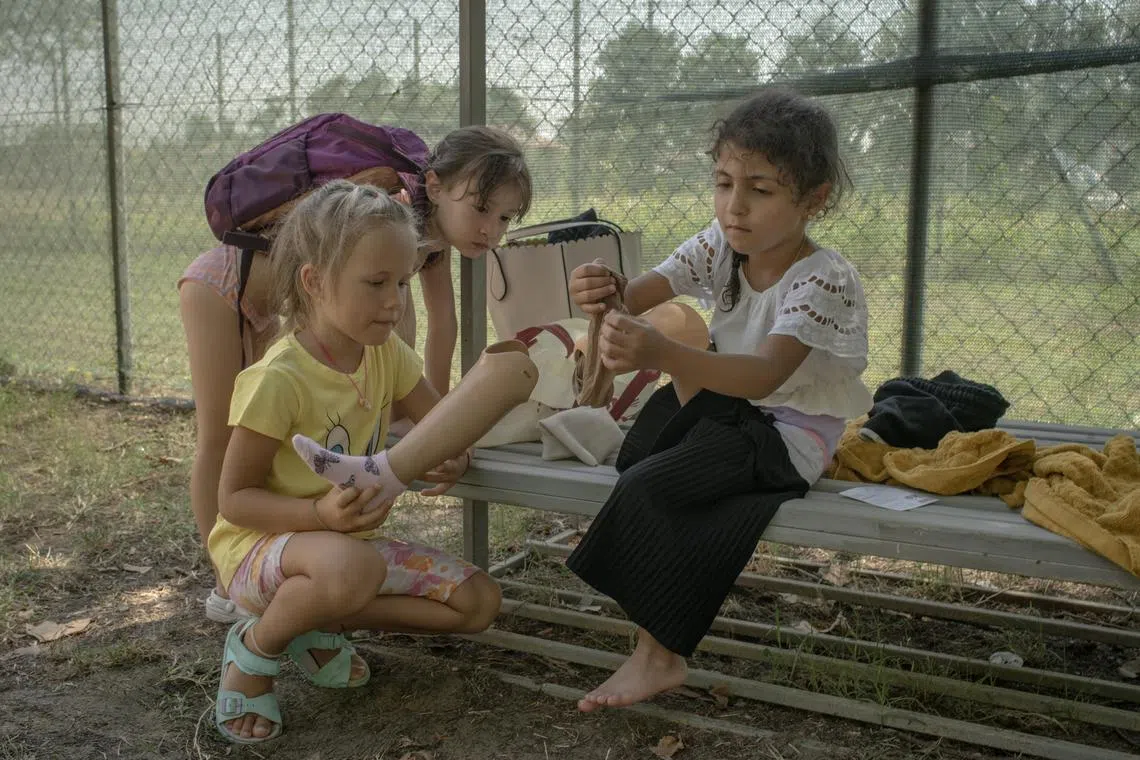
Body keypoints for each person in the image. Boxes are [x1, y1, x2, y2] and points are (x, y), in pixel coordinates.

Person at [564, 89, 872, 711]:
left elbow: (764, 376)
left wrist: (665, 355)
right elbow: (640, 294)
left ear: (815, 199)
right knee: (639, 459)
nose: (736, 206)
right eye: (724, 182)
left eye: (761, 189)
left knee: (650, 485)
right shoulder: (721, 245)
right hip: (733, 415)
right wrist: (602, 290)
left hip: (787, 437)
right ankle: (653, 639)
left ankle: (659, 656)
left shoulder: (823, 276)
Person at [178, 124, 532, 623]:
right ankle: (228, 585)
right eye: (481, 209)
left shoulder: (420, 246)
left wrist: (440, 433)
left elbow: (440, 328)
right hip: (226, 285)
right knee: (219, 435)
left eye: (504, 218)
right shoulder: (382, 215)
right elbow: (396, 339)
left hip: (291, 302)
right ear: (435, 187)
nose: (491, 230)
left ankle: (302, 596)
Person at [210, 180, 502, 743]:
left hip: (345, 552)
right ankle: (253, 651)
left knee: (478, 603)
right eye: (375, 283)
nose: (395, 301)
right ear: (315, 282)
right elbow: (233, 501)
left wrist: (450, 455)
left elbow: (440, 424)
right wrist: (320, 516)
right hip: (258, 553)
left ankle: (312, 621)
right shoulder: (279, 380)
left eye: (402, 281)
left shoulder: (386, 355)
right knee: (352, 570)